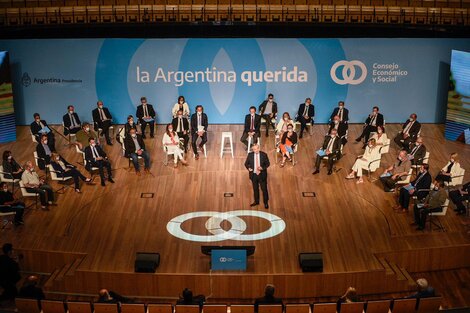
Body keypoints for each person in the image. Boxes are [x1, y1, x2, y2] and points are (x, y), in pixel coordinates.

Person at [245, 144, 270, 209]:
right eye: (254, 149)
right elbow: (246, 164)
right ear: (253, 150)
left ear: (259, 148)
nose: (256, 150)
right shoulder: (250, 155)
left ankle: (266, 202)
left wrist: (262, 168)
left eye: (257, 149)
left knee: (264, 190)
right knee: (255, 189)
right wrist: (249, 168)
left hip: (262, 175)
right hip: (253, 175)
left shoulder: (264, 155)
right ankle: (256, 201)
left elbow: (268, 164)